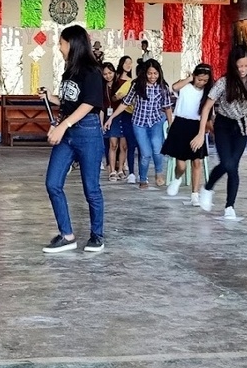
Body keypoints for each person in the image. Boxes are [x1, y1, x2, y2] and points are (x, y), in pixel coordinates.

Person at [42, 25, 107, 254]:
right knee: (53, 183)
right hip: (68, 130)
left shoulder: (92, 71)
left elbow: (89, 104)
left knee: (91, 188)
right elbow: (70, 101)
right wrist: (51, 97)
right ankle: (67, 235)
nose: (59, 47)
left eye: (61, 43)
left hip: (88, 132)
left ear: (72, 44)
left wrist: (63, 126)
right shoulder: (69, 71)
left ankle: (97, 236)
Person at [191, 45, 247, 219]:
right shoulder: (224, 82)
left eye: (246, 65)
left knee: (233, 166)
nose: (243, 69)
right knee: (227, 163)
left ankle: (230, 206)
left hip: (242, 127)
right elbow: (206, 108)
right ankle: (208, 186)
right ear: (233, 65)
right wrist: (200, 132)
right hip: (223, 126)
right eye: (239, 66)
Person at [106, 59, 175, 190]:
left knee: (157, 148)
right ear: (145, 73)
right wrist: (111, 118)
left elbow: (167, 108)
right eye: (150, 73)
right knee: (146, 153)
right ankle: (143, 178)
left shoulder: (162, 87)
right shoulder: (137, 85)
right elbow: (125, 103)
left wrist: (171, 125)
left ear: (159, 73)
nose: (153, 76)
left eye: (155, 73)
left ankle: (159, 172)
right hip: (139, 123)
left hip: (155, 121)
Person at [163, 63, 214, 202]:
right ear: (194, 76)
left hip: (196, 127)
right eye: (199, 79)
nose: (201, 82)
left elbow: (208, 114)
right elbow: (174, 87)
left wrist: (202, 132)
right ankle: (177, 178)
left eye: (205, 81)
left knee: (196, 162)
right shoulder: (185, 87)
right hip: (180, 124)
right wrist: (189, 79)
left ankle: (195, 194)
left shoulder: (208, 94)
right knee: (181, 164)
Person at [114, 54, 138, 183]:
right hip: (115, 112)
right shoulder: (116, 79)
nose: (128, 65)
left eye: (130, 63)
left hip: (128, 114)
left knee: (124, 144)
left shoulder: (132, 82)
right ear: (121, 63)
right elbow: (113, 96)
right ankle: (112, 166)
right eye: (126, 62)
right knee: (113, 143)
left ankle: (122, 167)